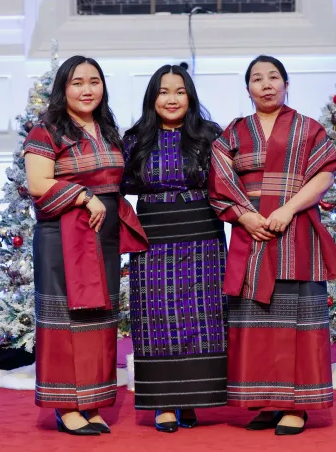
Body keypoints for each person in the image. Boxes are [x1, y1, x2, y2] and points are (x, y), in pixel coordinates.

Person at [208, 55, 336, 436]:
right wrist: (245, 217)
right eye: (257, 79)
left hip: (296, 232)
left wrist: (288, 208)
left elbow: (324, 175)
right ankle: (267, 401)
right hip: (252, 236)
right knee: (256, 323)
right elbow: (219, 180)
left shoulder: (308, 128)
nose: (266, 84)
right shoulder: (234, 132)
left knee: (298, 325)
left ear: (286, 84)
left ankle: (296, 406)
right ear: (247, 88)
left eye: (273, 77)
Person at [24, 56, 147, 436]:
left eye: (94, 81)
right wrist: (83, 196)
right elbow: (38, 183)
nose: (87, 89)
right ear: (63, 88)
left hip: (102, 236)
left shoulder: (107, 130)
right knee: (64, 321)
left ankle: (91, 401)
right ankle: (66, 405)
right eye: (77, 83)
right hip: (62, 236)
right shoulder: (46, 131)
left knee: (98, 320)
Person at [122, 65, 227, 433]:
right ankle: (164, 404)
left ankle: (193, 398)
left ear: (190, 96)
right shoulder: (135, 139)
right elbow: (117, 184)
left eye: (179, 91)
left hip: (203, 236)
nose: (171, 99)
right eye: (164, 91)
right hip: (153, 237)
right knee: (157, 316)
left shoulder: (210, 136)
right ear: (152, 97)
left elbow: (229, 184)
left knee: (202, 316)